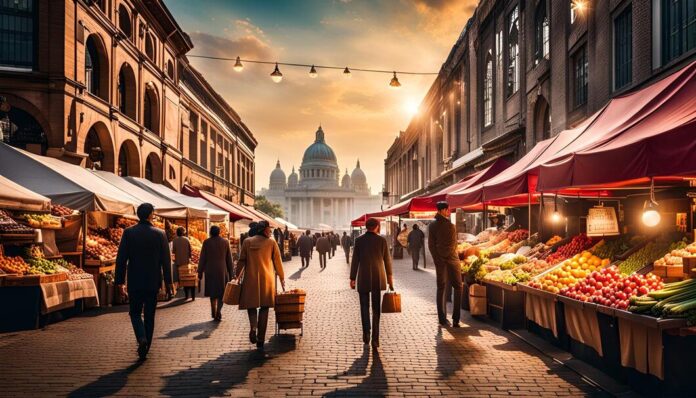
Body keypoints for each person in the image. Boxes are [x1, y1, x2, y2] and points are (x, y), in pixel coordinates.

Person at [115, 203, 172, 361]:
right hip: (153, 282)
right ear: (150, 215)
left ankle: (141, 337)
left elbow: (121, 260)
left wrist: (119, 282)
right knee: (149, 315)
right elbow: (166, 262)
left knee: (134, 312)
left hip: (134, 281)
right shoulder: (160, 234)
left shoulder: (129, 233)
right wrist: (169, 283)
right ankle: (146, 346)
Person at [236, 221, 286, 350]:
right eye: (269, 230)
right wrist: (281, 277)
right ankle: (260, 339)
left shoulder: (247, 242)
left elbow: (241, 260)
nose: (270, 232)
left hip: (250, 278)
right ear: (264, 230)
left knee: (251, 306)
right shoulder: (271, 243)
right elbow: (277, 261)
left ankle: (253, 326)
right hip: (267, 279)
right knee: (264, 308)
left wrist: (237, 276)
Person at [350, 218, 393, 349]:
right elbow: (387, 261)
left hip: (363, 277)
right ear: (377, 227)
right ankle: (375, 339)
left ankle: (366, 334)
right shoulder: (382, 241)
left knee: (364, 307)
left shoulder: (359, 241)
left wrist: (352, 278)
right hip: (377, 277)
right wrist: (390, 278)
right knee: (376, 309)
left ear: (366, 227)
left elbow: (355, 261)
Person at [428, 201, 462, 327]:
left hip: (440, 261)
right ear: (442, 210)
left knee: (441, 288)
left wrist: (438, 259)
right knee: (458, 287)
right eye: (448, 210)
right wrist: (446, 258)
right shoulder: (450, 226)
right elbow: (452, 245)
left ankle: (442, 319)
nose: (449, 212)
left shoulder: (432, 226)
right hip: (452, 260)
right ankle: (456, 319)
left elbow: (431, 246)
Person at [198, 225, 234, 321]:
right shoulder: (225, 242)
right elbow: (229, 259)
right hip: (222, 270)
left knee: (212, 292)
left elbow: (202, 258)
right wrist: (231, 274)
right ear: (219, 232)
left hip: (210, 270)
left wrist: (200, 271)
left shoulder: (206, 242)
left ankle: (213, 311)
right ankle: (218, 311)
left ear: (210, 232)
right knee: (221, 293)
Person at [172, 227, 194, 300]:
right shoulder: (187, 239)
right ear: (183, 232)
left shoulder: (174, 240)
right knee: (186, 278)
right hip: (186, 262)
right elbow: (190, 250)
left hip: (178, 262)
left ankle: (185, 294)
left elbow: (173, 251)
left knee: (180, 277)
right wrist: (190, 258)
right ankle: (189, 294)